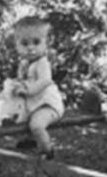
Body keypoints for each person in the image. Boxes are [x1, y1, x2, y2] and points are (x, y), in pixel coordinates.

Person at [4, 15, 65, 158]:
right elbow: (22, 80)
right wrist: (16, 87)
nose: (31, 48)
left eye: (36, 42)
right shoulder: (24, 64)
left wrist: (28, 90)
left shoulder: (43, 63)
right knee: (20, 119)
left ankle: (47, 150)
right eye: (25, 44)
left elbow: (44, 81)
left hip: (47, 105)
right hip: (33, 103)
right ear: (16, 45)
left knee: (36, 124)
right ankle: (29, 141)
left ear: (45, 44)